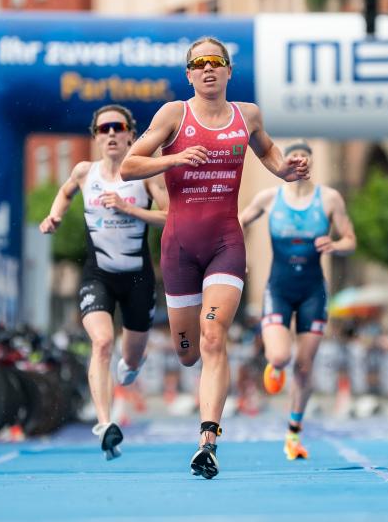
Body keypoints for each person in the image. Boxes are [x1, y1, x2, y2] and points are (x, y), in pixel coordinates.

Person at [120, 36, 309, 479]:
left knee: (212, 337)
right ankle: (160, 361)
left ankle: (208, 440)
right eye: (198, 63)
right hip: (180, 247)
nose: (207, 69)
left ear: (228, 71)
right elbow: (130, 166)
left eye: (216, 62)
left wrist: (284, 170)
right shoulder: (173, 115)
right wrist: (175, 158)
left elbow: (267, 151)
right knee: (187, 352)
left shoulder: (248, 115)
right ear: (189, 74)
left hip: (226, 241)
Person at [40, 104, 169, 460]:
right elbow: (66, 192)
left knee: (128, 364)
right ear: (96, 137)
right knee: (101, 342)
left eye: (118, 127)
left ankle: (131, 366)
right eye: (103, 129)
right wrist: (54, 216)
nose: (111, 134)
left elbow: (169, 216)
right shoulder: (85, 172)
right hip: (98, 275)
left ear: (131, 134)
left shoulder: (144, 175)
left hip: (138, 279)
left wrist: (130, 210)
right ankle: (104, 424)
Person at [238, 140, 355, 460]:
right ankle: (274, 366)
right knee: (279, 356)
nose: (300, 163)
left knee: (304, 367)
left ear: (312, 163)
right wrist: (238, 254)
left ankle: (293, 433)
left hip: (313, 293)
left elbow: (350, 239)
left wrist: (335, 244)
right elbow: (237, 223)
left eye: (305, 158)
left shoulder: (329, 199)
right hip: (279, 289)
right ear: (286, 163)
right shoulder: (269, 198)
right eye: (294, 159)